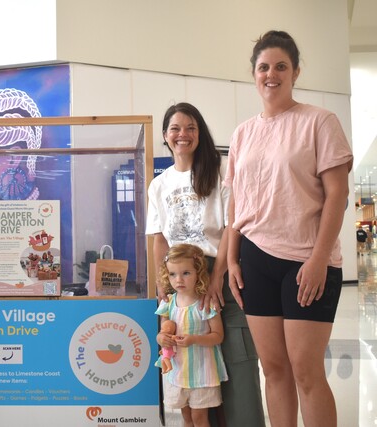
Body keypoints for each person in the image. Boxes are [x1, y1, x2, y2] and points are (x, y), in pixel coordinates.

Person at [225, 30, 353, 427]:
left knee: (306, 373)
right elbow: (236, 201)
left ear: (296, 72)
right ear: (254, 74)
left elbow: (337, 195)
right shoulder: (243, 133)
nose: (271, 74)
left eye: (281, 66)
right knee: (274, 369)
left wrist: (319, 260)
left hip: (306, 261)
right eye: (263, 67)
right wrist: (231, 260)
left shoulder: (319, 121)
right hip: (254, 258)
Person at [146, 102, 264, 426]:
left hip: (220, 272)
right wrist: (163, 286)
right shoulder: (159, 185)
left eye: (191, 127)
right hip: (180, 280)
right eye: (175, 128)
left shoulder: (219, 170)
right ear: (165, 135)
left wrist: (217, 277)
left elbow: (231, 226)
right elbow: (159, 240)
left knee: (238, 360)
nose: (182, 134)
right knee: (193, 363)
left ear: (200, 133)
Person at [154, 243, 228, 427]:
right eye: (172, 274)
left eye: (186, 273)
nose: (179, 279)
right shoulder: (168, 303)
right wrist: (161, 338)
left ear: (198, 273)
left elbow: (218, 336)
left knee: (199, 418)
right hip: (178, 371)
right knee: (186, 417)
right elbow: (163, 332)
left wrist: (194, 339)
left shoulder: (205, 304)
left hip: (202, 372)